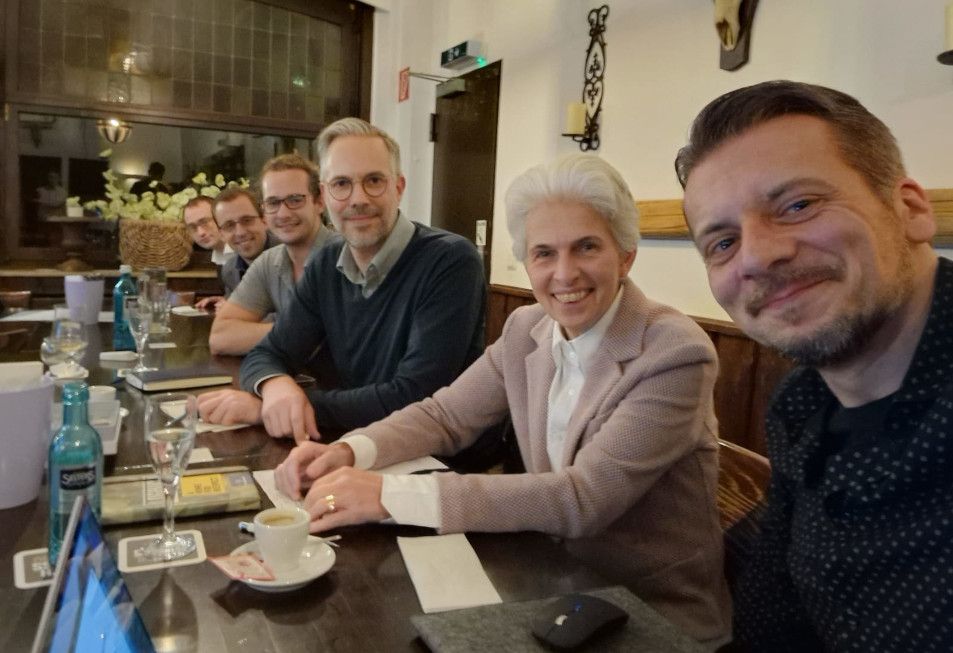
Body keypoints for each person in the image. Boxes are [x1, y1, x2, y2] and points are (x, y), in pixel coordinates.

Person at [272, 153, 731, 644]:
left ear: (626, 256)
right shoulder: (526, 328)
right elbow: (445, 415)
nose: (564, 273)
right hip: (545, 583)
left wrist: (387, 496)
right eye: (544, 253)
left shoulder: (673, 352)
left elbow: (582, 499)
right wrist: (349, 450)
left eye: (586, 247)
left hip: (652, 614)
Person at [676, 80, 951, 651]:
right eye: (722, 242)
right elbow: (772, 625)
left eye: (798, 205)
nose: (758, 256)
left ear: (910, 209)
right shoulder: (801, 402)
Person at [197, 117, 487, 445]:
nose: (357, 198)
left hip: (436, 457)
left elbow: (414, 397)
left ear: (398, 187)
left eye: (374, 180)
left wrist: (271, 409)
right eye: (341, 184)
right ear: (325, 194)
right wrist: (275, 386)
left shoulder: (450, 260)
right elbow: (269, 352)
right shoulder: (326, 263)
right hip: (355, 443)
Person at [207, 154, 331, 355]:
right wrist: (300, 332)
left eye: (295, 200)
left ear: (319, 201)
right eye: (273, 203)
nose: (283, 214)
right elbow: (220, 338)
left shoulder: (347, 256)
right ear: (264, 211)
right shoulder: (268, 262)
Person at [195, 188, 278, 311]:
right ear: (221, 234)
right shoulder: (229, 271)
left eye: (247, 220)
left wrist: (240, 310)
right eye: (229, 225)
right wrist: (226, 302)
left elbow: (295, 316)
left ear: (264, 220)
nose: (240, 232)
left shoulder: (292, 258)